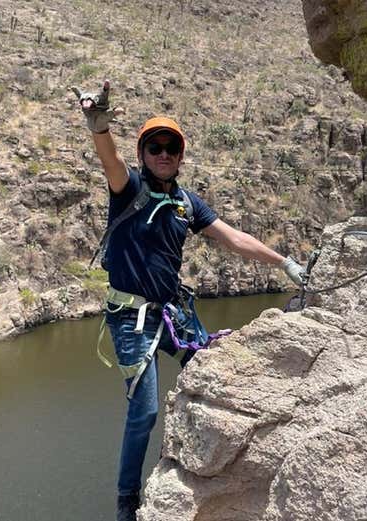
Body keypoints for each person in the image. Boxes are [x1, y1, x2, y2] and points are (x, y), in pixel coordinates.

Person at [74, 81, 305, 521]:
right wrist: (99, 125)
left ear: (180, 156)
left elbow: (234, 238)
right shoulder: (130, 188)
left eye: (171, 148)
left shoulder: (185, 202)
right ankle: (127, 501)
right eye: (155, 147)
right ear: (143, 153)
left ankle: (206, 452)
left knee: (210, 367)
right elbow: (110, 162)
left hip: (172, 313)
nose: (163, 154)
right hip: (132, 318)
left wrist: (285, 263)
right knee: (144, 412)